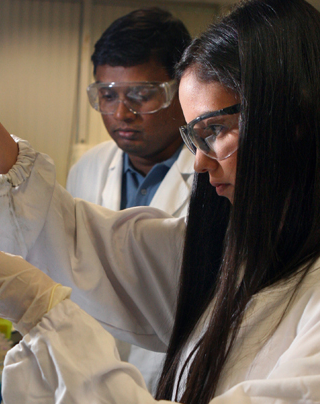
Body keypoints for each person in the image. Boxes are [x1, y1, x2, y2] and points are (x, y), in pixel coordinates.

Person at [0, 0, 320, 402]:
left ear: (297, 113)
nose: (202, 166)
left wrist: (50, 318)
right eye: (195, 137)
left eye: (217, 130)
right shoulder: (263, 243)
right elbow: (94, 247)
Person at [66, 7, 193, 392]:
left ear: (181, 87)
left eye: (141, 95)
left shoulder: (217, 177)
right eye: (107, 95)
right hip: (88, 375)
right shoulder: (86, 170)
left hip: (173, 379)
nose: (122, 113)